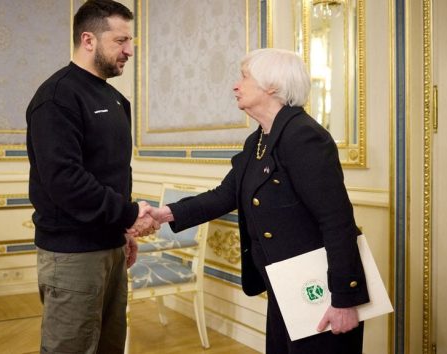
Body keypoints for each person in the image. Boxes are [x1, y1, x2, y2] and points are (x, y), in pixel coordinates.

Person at [133, 48, 369, 353]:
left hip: (320, 292)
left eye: (244, 77)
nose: (235, 85)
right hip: (283, 287)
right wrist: (163, 214)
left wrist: (344, 300)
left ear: (272, 86)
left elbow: (336, 221)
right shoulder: (258, 139)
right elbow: (224, 195)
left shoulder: (304, 136)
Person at [26, 1, 158, 353]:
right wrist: (129, 214)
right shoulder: (57, 97)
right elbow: (65, 180)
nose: (129, 50)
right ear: (88, 40)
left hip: (112, 246)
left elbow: (115, 172)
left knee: (110, 346)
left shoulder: (116, 99)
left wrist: (122, 230)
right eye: (121, 40)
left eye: (130, 41)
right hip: (72, 254)